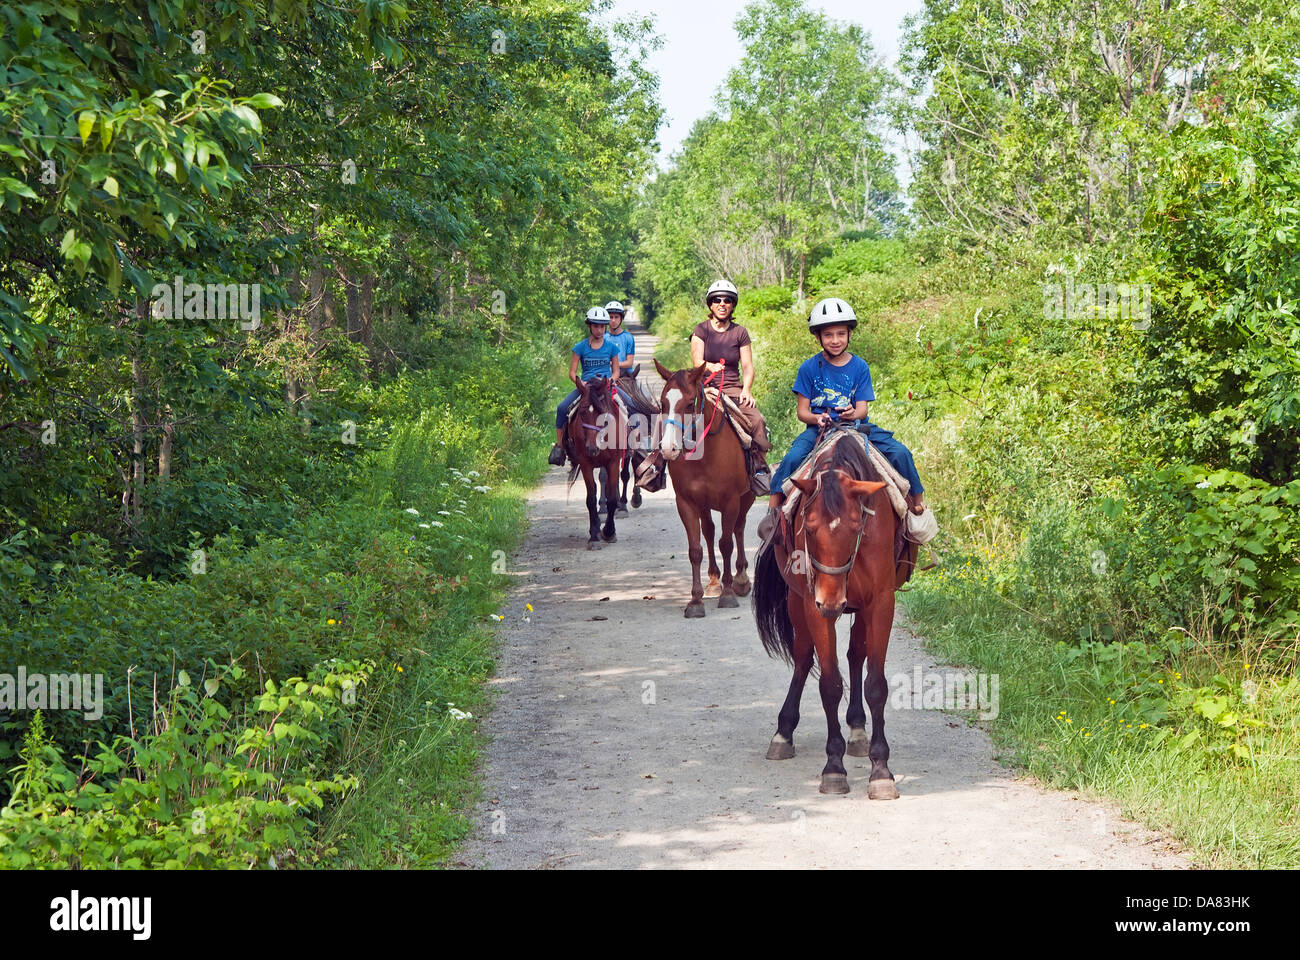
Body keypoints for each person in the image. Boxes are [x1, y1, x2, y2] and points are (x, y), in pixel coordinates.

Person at [761, 297, 929, 535]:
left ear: (850, 334)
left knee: (900, 452)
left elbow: (863, 409)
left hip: (856, 426)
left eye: (841, 333)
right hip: (819, 429)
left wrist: (852, 413)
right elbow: (802, 412)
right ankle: (775, 511)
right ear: (818, 337)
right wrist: (816, 419)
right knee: (792, 458)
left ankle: (917, 504)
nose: (835, 340)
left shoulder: (860, 367)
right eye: (828, 335)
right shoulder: (808, 368)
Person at [636, 279, 773, 494]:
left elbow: (747, 366)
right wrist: (709, 366)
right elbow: (697, 361)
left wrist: (747, 389)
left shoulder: (740, 333)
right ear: (710, 304)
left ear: (732, 305)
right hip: (703, 386)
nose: (722, 303)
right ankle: (655, 464)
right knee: (671, 413)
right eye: (717, 300)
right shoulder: (701, 330)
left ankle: (758, 468)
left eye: (727, 300)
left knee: (756, 419)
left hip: (732, 389)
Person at [549, 306, 623, 467]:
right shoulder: (580, 347)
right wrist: (580, 383)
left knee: (628, 406)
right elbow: (572, 372)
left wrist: (611, 379)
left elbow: (616, 371)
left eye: (602, 326)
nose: (599, 330)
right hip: (586, 388)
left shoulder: (612, 348)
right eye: (596, 326)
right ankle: (560, 447)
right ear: (589, 326)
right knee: (562, 408)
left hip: (604, 388)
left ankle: (632, 445)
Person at [604, 300, 637, 378]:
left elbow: (629, 363)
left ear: (621, 318)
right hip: (607, 375)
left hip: (626, 375)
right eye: (611, 317)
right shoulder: (603, 337)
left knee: (641, 389)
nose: (613, 320)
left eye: (616, 317)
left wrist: (612, 364)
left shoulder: (628, 337)